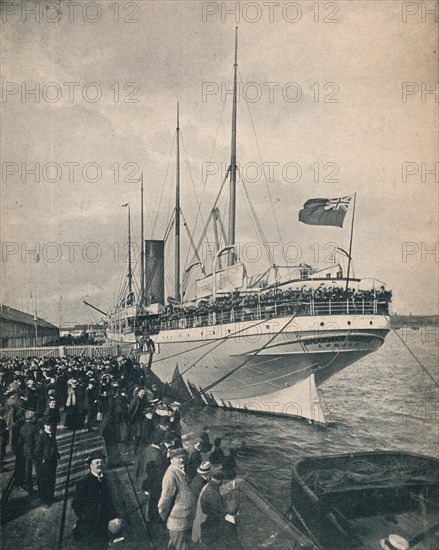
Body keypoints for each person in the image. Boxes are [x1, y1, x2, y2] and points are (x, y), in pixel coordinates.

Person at [72, 450, 118, 549]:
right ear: (91, 466)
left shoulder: (105, 479)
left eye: (101, 462)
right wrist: (86, 517)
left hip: (104, 522)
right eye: (96, 463)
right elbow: (76, 504)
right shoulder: (84, 483)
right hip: (91, 525)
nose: (99, 465)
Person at [158, 447, 195, 550]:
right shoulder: (171, 475)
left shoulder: (179, 470)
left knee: (177, 543)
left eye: (183, 457)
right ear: (171, 459)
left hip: (183, 519)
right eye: (178, 458)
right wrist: (164, 516)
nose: (181, 460)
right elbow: (165, 500)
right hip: (177, 521)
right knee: (180, 546)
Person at [199, 466, 238, 549]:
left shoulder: (210, 486)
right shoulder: (212, 493)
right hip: (212, 521)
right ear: (221, 480)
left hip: (210, 519)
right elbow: (220, 510)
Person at [135, 431, 169, 523]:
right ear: (161, 442)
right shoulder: (157, 455)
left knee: (151, 501)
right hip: (153, 483)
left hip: (145, 480)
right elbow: (161, 471)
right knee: (154, 501)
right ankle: (153, 518)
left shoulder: (148, 449)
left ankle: (150, 517)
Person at [34, 419, 60, 508]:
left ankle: (51, 497)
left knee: (52, 480)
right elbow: (37, 452)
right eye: (48, 425)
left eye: (51, 425)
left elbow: (54, 447)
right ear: (44, 426)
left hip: (53, 461)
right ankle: (44, 501)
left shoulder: (52, 435)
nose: (50, 426)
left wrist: (57, 454)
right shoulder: (42, 437)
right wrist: (43, 459)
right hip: (46, 463)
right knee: (45, 482)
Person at [18, 410, 38, 495]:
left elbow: (20, 442)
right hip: (34, 451)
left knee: (28, 470)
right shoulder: (34, 427)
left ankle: (30, 489)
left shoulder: (22, 428)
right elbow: (37, 441)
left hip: (26, 451)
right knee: (38, 470)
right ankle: (41, 488)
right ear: (32, 418)